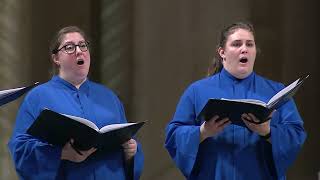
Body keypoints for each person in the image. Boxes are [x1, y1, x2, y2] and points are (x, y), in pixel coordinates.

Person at [164, 22, 306, 180]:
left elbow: (296, 134)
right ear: (222, 52)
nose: (244, 49)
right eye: (237, 44)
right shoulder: (196, 91)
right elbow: (173, 136)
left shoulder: (276, 91)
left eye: (249, 44)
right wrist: (203, 132)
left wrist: (267, 132)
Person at [8, 26, 143, 180]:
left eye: (83, 45)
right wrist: (61, 154)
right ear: (56, 58)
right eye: (69, 47)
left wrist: (131, 152)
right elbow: (20, 149)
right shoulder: (38, 97)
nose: (79, 51)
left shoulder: (109, 96)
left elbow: (128, 142)